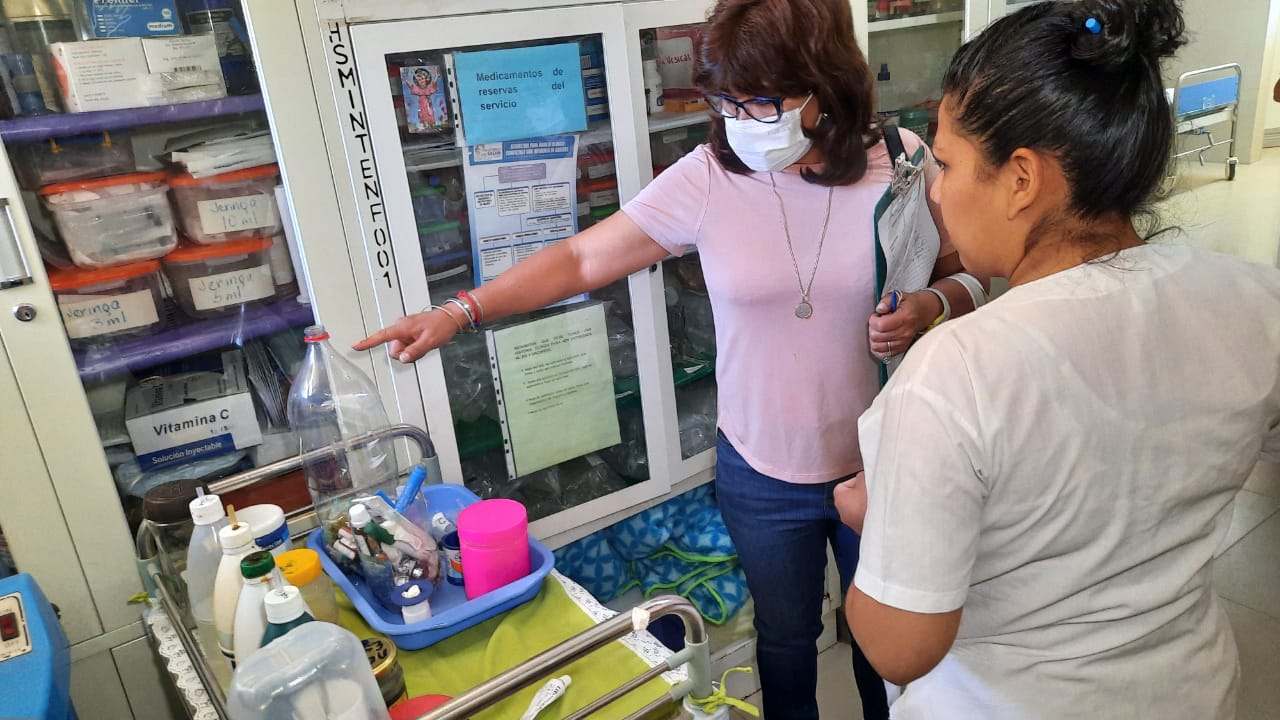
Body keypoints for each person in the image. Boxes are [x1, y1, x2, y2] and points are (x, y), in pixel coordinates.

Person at [356, 1, 984, 717]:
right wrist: (459, 311)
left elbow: (971, 275)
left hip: (884, 458)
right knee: (785, 639)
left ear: (825, 82)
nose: (741, 120)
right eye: (726, 101)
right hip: (760, 471)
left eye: (761, 101)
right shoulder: (709, 176)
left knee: (887, 648)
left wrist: (931, 306)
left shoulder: (902, 160)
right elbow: (581, 258)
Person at [834, 1, 1280, 718]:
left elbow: (899, 646)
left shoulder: (957, 370)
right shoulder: (1257, 300)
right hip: (1193, 690)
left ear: (1021, 179)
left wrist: (874, 517)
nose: (937, 194)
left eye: (946, 163)